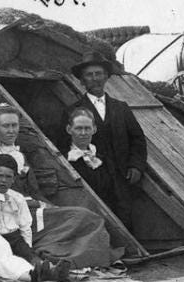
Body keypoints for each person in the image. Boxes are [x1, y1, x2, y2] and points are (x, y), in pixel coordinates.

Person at [0, 103, 122, 269]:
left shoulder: (20, 154)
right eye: (6, 126)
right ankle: (64, 259)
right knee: (84, 217)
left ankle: (80, 256)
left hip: (34, 208)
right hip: (15, 215)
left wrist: (46, 203)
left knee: (86, 216)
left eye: (14, 125)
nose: (11, 130)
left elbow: (34, 190)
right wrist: (39, 204)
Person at [62, 51, 148, 231]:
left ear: (106, 77)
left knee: (124, 216)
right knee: (97, 218)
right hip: (92, 176)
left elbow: (137, 139)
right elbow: (64, 144)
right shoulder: (73, 110)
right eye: (89, 75)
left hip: (121, 175)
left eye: (99, 74)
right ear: (82, 81)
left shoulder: (121, 108)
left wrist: (136, 166)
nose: (95, 79)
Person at [0, 156, 71, 282]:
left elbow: (25, 225)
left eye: (8, 177)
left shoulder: (17, 198)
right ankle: (35, 274)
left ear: (14, 178)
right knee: (8, 261)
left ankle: (51, 270)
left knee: (29, 255)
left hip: (14, 237)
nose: (3, 181)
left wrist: (27, 247)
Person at [63, 107, 116, 209]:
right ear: (69, 129)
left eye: (87, 128)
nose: (83, 133)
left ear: (94, 129)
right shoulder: (66, 159)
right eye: (78, 128)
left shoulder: (103, 159)